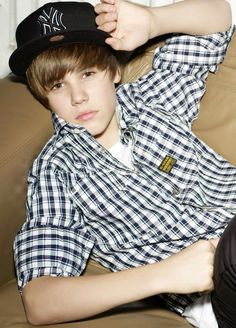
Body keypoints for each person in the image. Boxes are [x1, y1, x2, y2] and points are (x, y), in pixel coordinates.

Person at [9, 0, 235, 327]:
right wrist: (163, 275)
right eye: (58, 85)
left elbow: (221, 18)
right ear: (45, 96)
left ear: (114, 71)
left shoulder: (153, 99)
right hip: (219, 285)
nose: (78, 97)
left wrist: (153, 20)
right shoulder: (57, 169)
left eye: (87, 74)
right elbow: (40, 301)